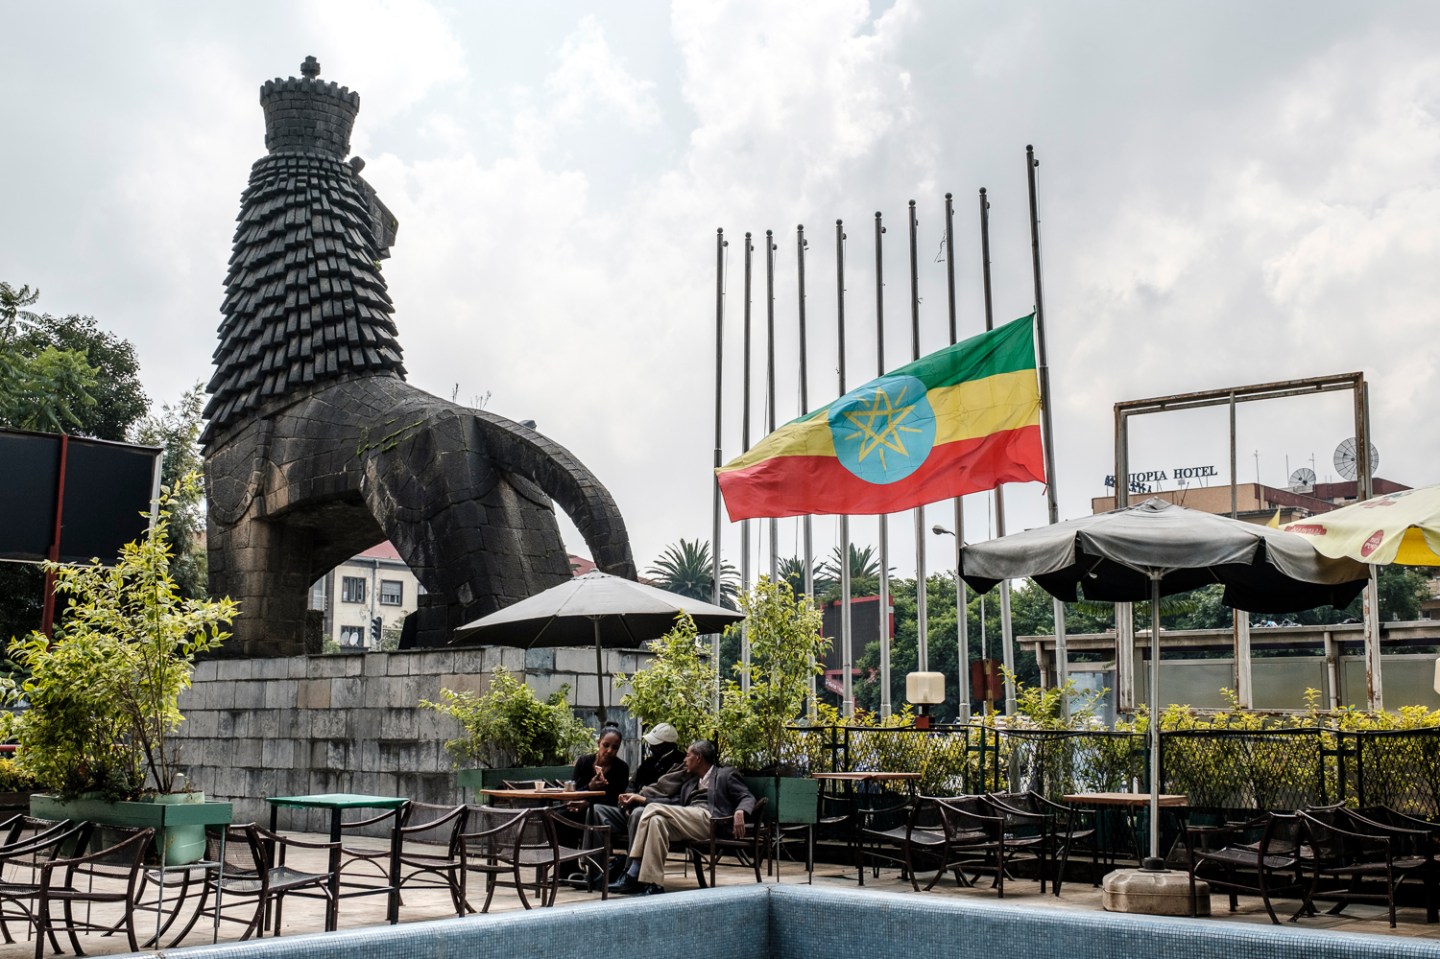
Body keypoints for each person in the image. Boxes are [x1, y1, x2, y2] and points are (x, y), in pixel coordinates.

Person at [608, 740, 755, 895]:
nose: (684, 760)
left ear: (698, 757)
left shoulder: (725, 774)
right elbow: (673, 803)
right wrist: (643, 799)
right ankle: (654, 884)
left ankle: (633, 871)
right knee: (656, 821)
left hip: (711, 820)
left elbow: (747, 797)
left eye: (687, 755)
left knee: (650, 809)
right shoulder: (690, 783)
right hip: (688, 820)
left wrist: (740, 811)